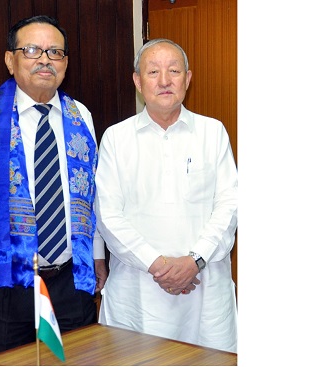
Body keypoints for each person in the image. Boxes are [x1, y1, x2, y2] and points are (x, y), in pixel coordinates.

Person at [0, 15, 108, 358]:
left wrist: (97, 256)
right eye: (31, 50)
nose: (44, 59)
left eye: (55, 52)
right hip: (4, 283)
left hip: (70, 281)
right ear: (9, 59)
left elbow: (91, 197)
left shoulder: (82, 117)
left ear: (65, 63)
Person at [94, 38, 238, 353]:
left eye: (174, 71)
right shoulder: (116, 138)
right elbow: (107, 215)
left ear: (187, 79)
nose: (164, 81)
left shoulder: (212, 133)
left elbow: (229, 205)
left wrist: (194, 260)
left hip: (205, 288)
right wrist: (158, 265)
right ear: (137, 81)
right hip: (139, 290)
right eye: (153, 72)